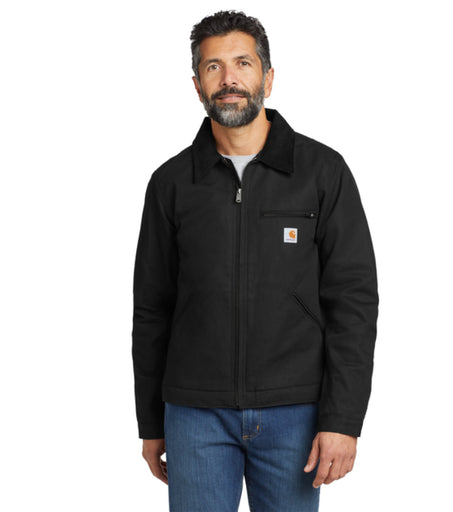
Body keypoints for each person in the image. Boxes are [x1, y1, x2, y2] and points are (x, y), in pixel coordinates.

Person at [131, 10, 379, 512]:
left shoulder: (322, 172)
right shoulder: (171, 183)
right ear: (197, 85)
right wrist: (151, 423)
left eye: (243, 63)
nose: (229, 79)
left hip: (296, 413)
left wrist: (343, 419)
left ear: (267, 77)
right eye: (213, 67)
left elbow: (353, 302)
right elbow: (152, 309)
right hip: (194, 414)